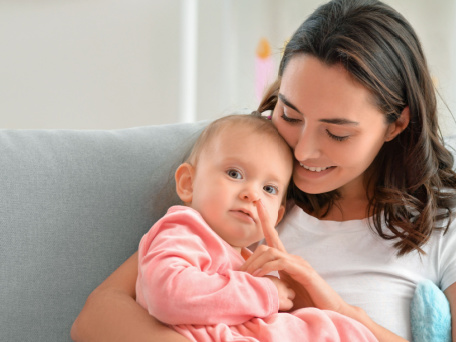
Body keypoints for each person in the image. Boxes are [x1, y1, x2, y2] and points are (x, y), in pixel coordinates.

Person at [72, 0, 456, 341]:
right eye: (290, 114)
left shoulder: (446, 227)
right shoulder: (246, 193)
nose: (303, 151)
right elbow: (98, 315)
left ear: (396, 124)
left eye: (336, 133)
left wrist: (344, 315)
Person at [135, 114, 376, 341]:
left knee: (333, 326)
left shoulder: (247, 258)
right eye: (234, 173)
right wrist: (265, 293)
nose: (251, 194)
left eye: (269, 189)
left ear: (277, 216)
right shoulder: (185, 230)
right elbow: (167, 293)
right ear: (189, 183)